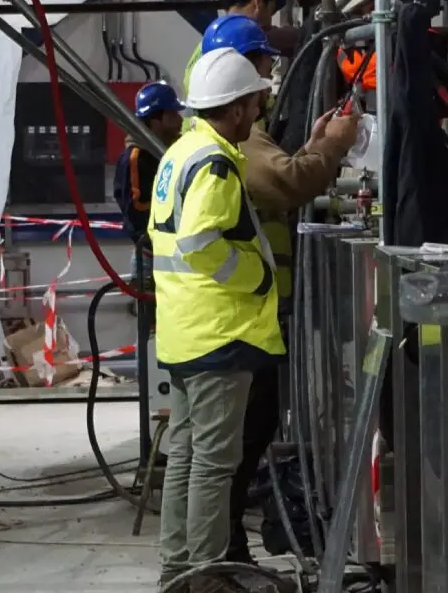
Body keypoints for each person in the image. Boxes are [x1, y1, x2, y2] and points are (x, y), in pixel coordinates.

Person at [199, 17, 362, 564]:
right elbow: (287, 182)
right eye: (265, 65)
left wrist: (316, 143)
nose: (273, 76)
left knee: (239, 437)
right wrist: (333, 148)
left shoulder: (231, 133)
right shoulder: (231, 140)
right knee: (241, 437)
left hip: (244, 314)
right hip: (237, 317)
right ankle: (220, 553)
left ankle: (220, 549)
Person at [150, 47, 284, 590]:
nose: (258, 111)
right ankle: (205, 579)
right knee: (212, 465)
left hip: (186, 332)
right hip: (219, 334)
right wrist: (250, 278)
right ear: (234, 108)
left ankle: (178, 570)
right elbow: (201, 240)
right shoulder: (215, 162)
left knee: (185, 456)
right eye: (254, 101)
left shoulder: (181, 151)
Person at [182, 0, 294, 132]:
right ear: (258, 1)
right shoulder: (236, 50)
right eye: (270, 12)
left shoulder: (206, 47)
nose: (270, 24)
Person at [111, 81, 185, 288]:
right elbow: (137, 209)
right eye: (173, 114)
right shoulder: (136, 158)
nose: (180, 120)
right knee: (154, 317)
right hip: (152, 257)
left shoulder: (166, 151)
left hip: (171, 253)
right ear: (156, 120)